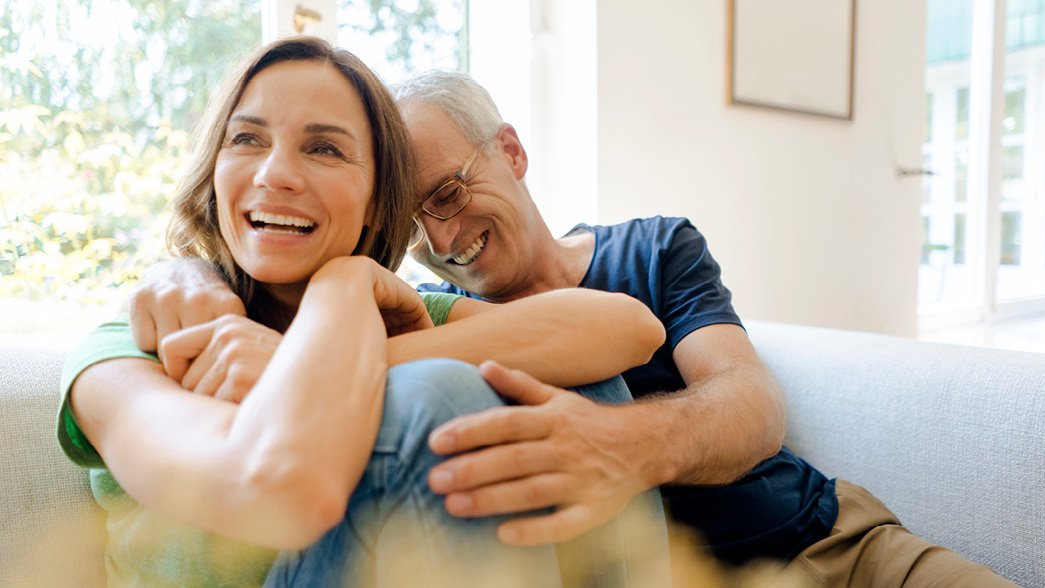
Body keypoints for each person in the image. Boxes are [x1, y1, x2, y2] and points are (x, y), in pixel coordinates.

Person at [130, 66, 1017, 586]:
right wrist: (195, 277)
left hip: (830, 544)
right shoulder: (427, 319)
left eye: (448, 193)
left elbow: (749, 405)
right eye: (414, 227)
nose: (443, 240)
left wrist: (627, 445)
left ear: (510, 153)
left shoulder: (652, 248)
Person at [56, 38, 671, 587]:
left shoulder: (388, 311)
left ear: (379, 205)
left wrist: (335, 311)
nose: (276, 174)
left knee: (580, 381)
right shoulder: (132, 345)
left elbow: (627, 328)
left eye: (323, 148)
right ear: (214, 171)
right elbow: (275, 492)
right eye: (246, 139)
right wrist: (334, 324)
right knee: (436, 391)